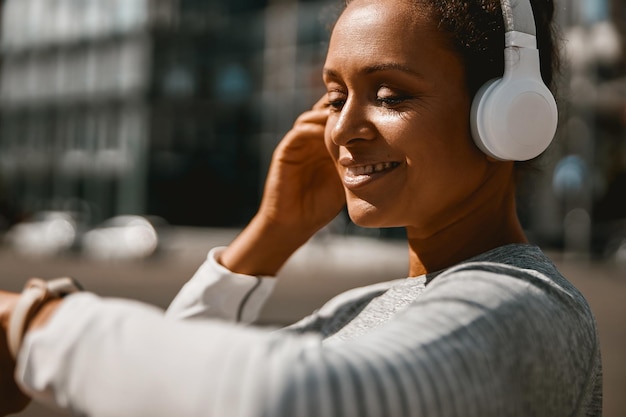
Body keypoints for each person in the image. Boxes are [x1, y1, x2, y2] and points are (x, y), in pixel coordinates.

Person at [0, 0, 602, 415]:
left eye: (389, 95)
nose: (341, 130)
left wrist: (36, 325)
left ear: (506, 114)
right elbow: (173, 394)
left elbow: (293, 398)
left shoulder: (526, 308)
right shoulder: (366, 305)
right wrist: (271, 235)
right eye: (336, 96)